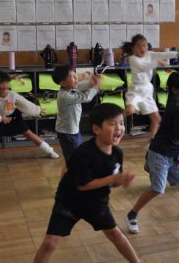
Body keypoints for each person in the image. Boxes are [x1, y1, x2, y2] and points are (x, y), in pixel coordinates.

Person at [33, 103, 139, 263]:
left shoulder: (117, 153)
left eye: (121, 123)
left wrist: (121, 181)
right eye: (112, 124)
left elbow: (112, 182)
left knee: (116, 235)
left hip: (97, 204)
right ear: (97, 129)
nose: (119, 128)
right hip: (69, 203)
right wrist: (114, 179)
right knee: (50, 243)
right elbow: (84, 185)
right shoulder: (83, 153)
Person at [126, 71, 179, 234]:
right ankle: (132, 214)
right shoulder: (176, 108)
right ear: (175, 90)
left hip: (173, 154)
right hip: (160, 154)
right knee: (157, 189)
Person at [122, 34, 179, 141]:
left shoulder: (149, 54)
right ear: (133, 48)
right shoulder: (132, 59)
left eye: (144, 45)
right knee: (130, 110)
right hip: (136, 90)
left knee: (156, 119)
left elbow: (163, 54)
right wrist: (156, 62)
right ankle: (113, 120)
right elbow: (143, 67)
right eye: (139, 46)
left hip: (147, 91)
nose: (142, 48)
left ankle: (152, 142)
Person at [0, 71, 59, 165]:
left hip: (13, 117)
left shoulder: (13, 95)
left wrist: (37, 110)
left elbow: (25, 104)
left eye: (7, 82)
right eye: (1, 83)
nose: (5, 85)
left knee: (30, 134)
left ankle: (50, 151)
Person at [51, 65, 101, 162]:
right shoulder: (64, 96)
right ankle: (73, 173)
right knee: (74, 157)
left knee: (77, 154)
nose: (76, 79)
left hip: (72, 130)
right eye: (73, 77)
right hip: (67, 132)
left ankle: (75, 171)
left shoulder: (69, 89)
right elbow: (86, 97)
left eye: (76, 76)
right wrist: (96, 86)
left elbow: (80, 86)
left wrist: (92, 82)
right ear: (63, 83)